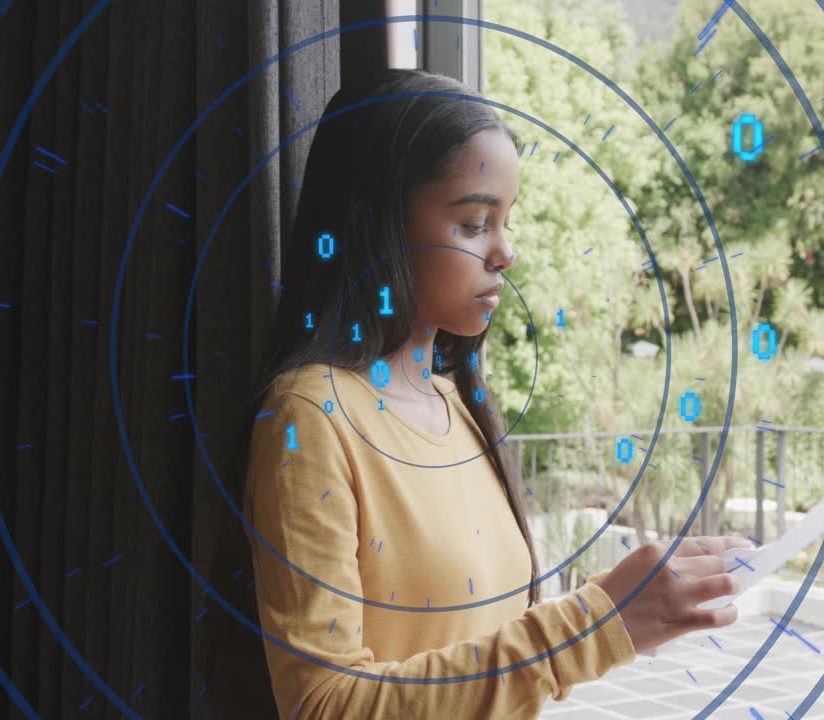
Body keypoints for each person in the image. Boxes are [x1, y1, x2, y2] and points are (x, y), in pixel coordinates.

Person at [235, 68, 747, 719]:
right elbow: (325, 703)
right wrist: (595, 624)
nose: (504, 251)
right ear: (378, 224)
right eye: (475, 222)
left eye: (506, 221)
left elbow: (489, 653)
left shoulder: (457, 406)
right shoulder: (310, 417)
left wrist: (633, 612)